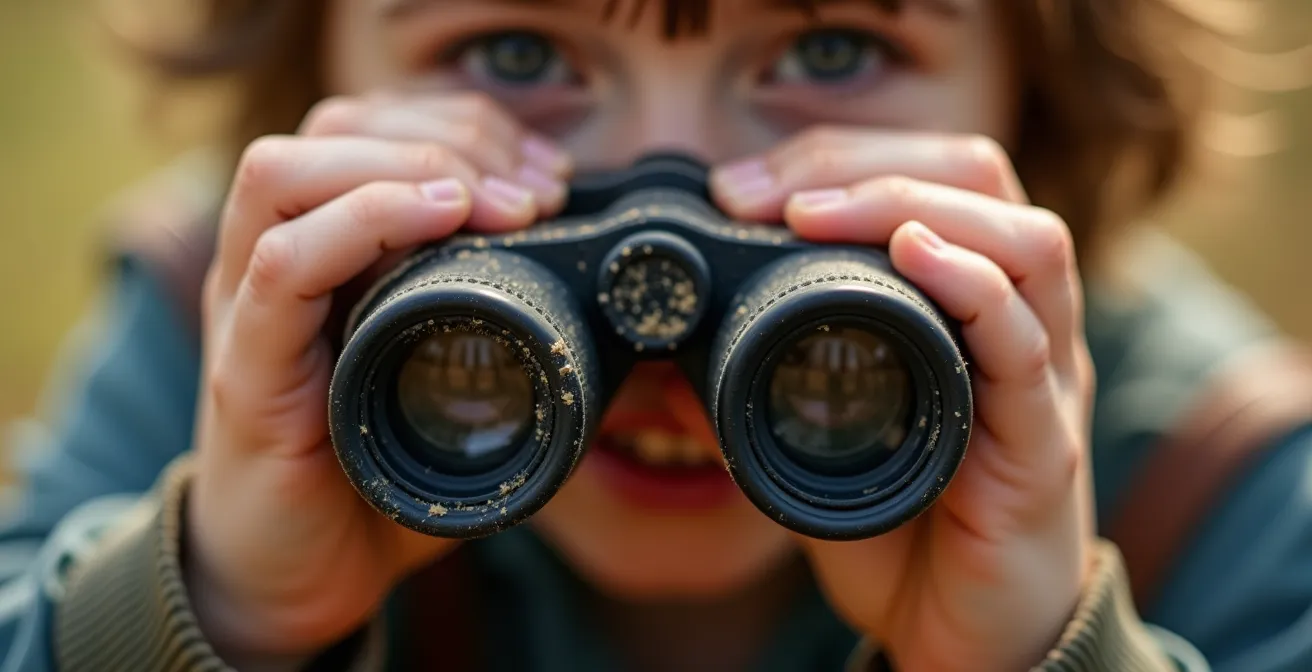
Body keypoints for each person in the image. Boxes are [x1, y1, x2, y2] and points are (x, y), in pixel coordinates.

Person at [1, 0, 1310, 670]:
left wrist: (1038, 653)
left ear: (1040, 87)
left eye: (832, 47)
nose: (661, 186)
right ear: (314, 73)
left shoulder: (1215, 474)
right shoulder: (247, 341)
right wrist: (222, 603)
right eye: (515, 52)